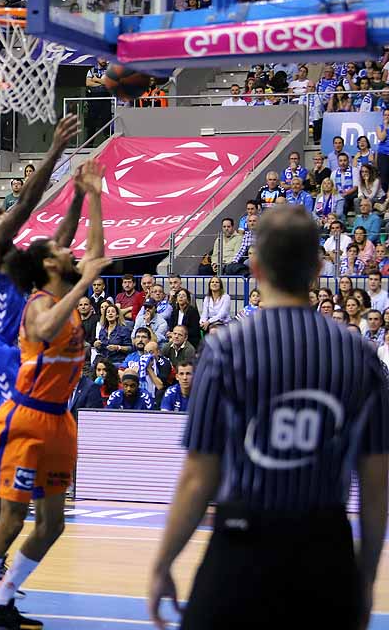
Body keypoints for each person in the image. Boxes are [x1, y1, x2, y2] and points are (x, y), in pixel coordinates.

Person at [148, 205, 389, 630]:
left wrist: (164, 561)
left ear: (255, 268)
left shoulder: (224, 351)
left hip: (243, 543)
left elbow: (199, 475)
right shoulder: (360, 356)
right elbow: (375, 483)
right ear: (317, 268)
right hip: (325, 550)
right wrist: (364, 578)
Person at [0, 154, 109, 630]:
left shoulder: (42, 279)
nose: (71, 253)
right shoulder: (24, 285)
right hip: (4, 378)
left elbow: (75, 244)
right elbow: (26, 207)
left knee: (51, 522)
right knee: (11, 509)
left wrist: (90, 195)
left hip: (54, 412)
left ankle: (1, 598)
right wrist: (54, 156)